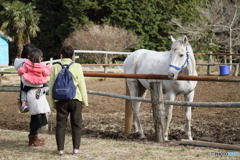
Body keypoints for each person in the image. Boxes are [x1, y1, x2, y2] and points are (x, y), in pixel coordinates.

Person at [49, 45, 88, 156]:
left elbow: (51, 86)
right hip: (75, 99)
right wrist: (84, 101)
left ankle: (60, 150)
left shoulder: (55, 67)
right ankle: (76, 149)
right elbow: (82, 85)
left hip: (60, 100)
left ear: (61, 55)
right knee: (76, 124)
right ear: (73, 55)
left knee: (60, 125)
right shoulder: (77, 66)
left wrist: (52, 102)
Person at [14, 44, 51, 147]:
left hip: (30, 91)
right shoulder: (26, 65)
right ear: (28, 56)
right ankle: (33, 138)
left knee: (37, 115)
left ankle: (34, 136)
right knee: (36, 116)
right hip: (31, 92)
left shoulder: (27, 64)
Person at [17, 48, 51, 112]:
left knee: (24, 92)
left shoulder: (27, 65)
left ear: (29, 57)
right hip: (39, 84)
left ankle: (24, 104)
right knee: (46, 87)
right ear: (40, 58)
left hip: (29, 83)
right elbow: (47, 73)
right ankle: (41, 91)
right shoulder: (42, 66)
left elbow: (20, 71)